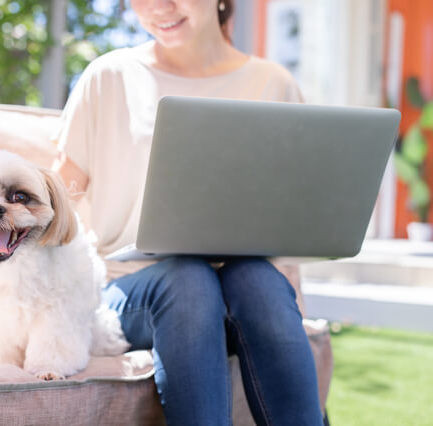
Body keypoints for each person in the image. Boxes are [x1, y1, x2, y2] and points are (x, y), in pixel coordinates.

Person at [52, 0, 324, 424]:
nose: (158, 7)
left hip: (241, 291)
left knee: (255, 277)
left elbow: (284, 218)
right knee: (188, 277)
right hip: (132, 292)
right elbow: (56, 200)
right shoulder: (109, 75)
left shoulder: (272, 83)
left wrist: (295, 312)